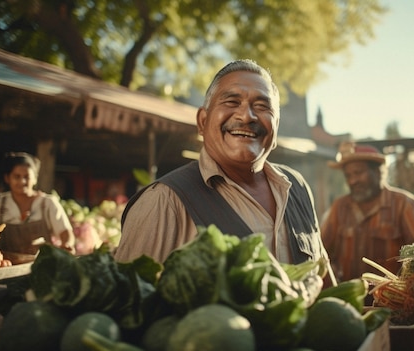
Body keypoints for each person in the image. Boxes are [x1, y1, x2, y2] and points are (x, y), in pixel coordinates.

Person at [114, 59, 327, 268]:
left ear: (276, 126)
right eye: (232, 102)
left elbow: (322, 280)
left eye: (262, 106)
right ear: (203, 121)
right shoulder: (164, 201)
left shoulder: (296, 187)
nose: (246, 116)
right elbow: (129, 300)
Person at [321, 142, 414, 284]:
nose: (353, 181)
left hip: (392, 302)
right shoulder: (339, 207)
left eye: (358, 173)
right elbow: (322, 251)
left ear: (378, 172)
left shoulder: (405, 204)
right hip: (349, 299)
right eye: (348, 176)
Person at [0, 152, 75, 263]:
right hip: (7, 270)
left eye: (27, 177)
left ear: (35, 179)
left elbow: (65, 231)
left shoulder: (47, 204)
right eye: (17, 177)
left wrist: (67, 245)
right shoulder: (1, 205)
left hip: (42, 266)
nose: (22, 181)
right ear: (7, 178)